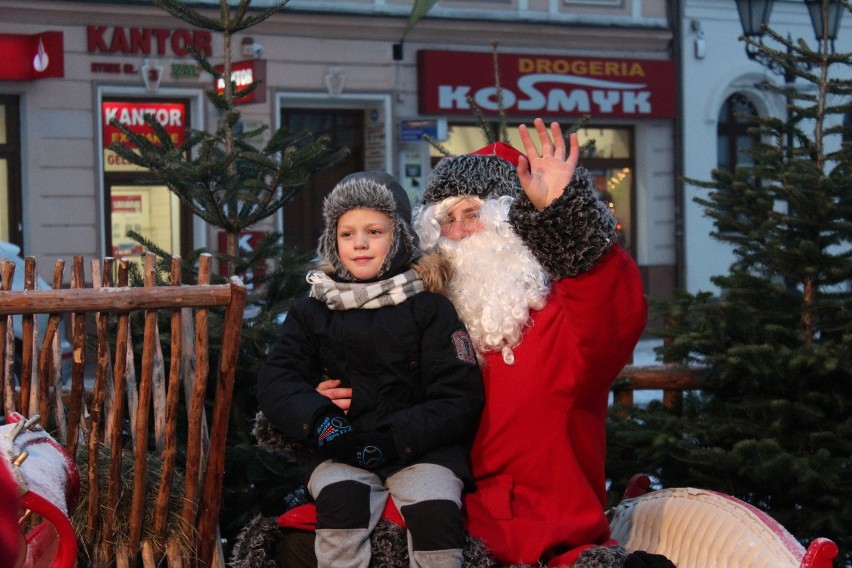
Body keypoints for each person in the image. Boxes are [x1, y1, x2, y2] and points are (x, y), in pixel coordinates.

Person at [316, 119, 648, 567]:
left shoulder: (562, 323)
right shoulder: (416, 320)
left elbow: (614, 314)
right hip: (415, 525)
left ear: (510, 222)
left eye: (472, 214)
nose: (457, 232)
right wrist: (323, 405)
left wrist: (563, 216)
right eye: (445, 220)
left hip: (534, 540)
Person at [256, 171, 484, 568]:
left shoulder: (431, 309)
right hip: (341, 447)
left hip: (421, 450)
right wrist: (322, 421)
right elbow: (279, 380)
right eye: (347, 234)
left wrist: (395, 440)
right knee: (341, 505)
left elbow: (459, 393)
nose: (359, 243)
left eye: (374, 231)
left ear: (397, 238)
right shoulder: (313, 311)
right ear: (333, 241)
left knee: (435, 514)